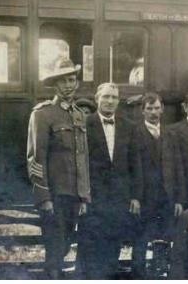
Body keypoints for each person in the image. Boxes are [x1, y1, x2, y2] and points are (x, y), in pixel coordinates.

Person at [26, 58, 90, 279]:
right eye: (62, 81)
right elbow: (36, 158)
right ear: (55, 85)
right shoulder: (42, 114)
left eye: (72, 80)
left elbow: (82, 159)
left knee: (65, 246)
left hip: (74, 194)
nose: (68, 85)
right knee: (54, 249)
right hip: (55, 194)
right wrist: (44, 197)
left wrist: (84, 196)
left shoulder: (79, 115)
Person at [77, 83, 137, 279]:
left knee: (113, 243)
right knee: (89, 245)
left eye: (114, 97)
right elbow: (78, 162)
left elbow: (135, 165)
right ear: (97, 99)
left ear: (118, 101)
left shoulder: (129, 126)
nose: (110, 101)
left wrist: (135, 196)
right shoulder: (84, 124)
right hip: (92, 197)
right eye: (106, 97)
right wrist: (81, 195)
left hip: (119, 198)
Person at [129, 93, 184, 279]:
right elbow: (131, 168)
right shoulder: (134, 133)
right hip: (145, 197)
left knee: (166, 236)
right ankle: (138, 274)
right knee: (141, 238)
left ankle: (161, 273)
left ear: (162, 109)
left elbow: (178, 168)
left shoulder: (171, 134)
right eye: (149, 108)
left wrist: (178, 199)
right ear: (142, 111)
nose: (154, 112)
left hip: (167, 196)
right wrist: (134, 197)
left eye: (157, 108)